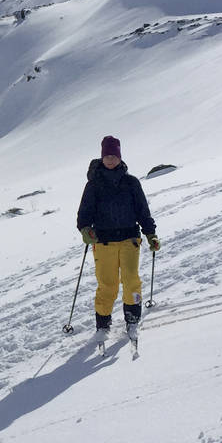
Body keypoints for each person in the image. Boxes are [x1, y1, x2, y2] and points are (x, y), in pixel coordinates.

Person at [76, 135, 160, 345]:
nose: (111, 159)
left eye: (114, 156)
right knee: (107, 284)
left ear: (120, 157)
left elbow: (142, 210)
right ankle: (102, 325)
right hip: (103, 242)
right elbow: (84, 213)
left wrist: (150, 234)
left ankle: (133, 319)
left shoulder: (131, 183)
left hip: (130, 239)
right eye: (107, 156)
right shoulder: (94, 185)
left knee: (132, 280)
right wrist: (85, 229)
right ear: (102, 157)